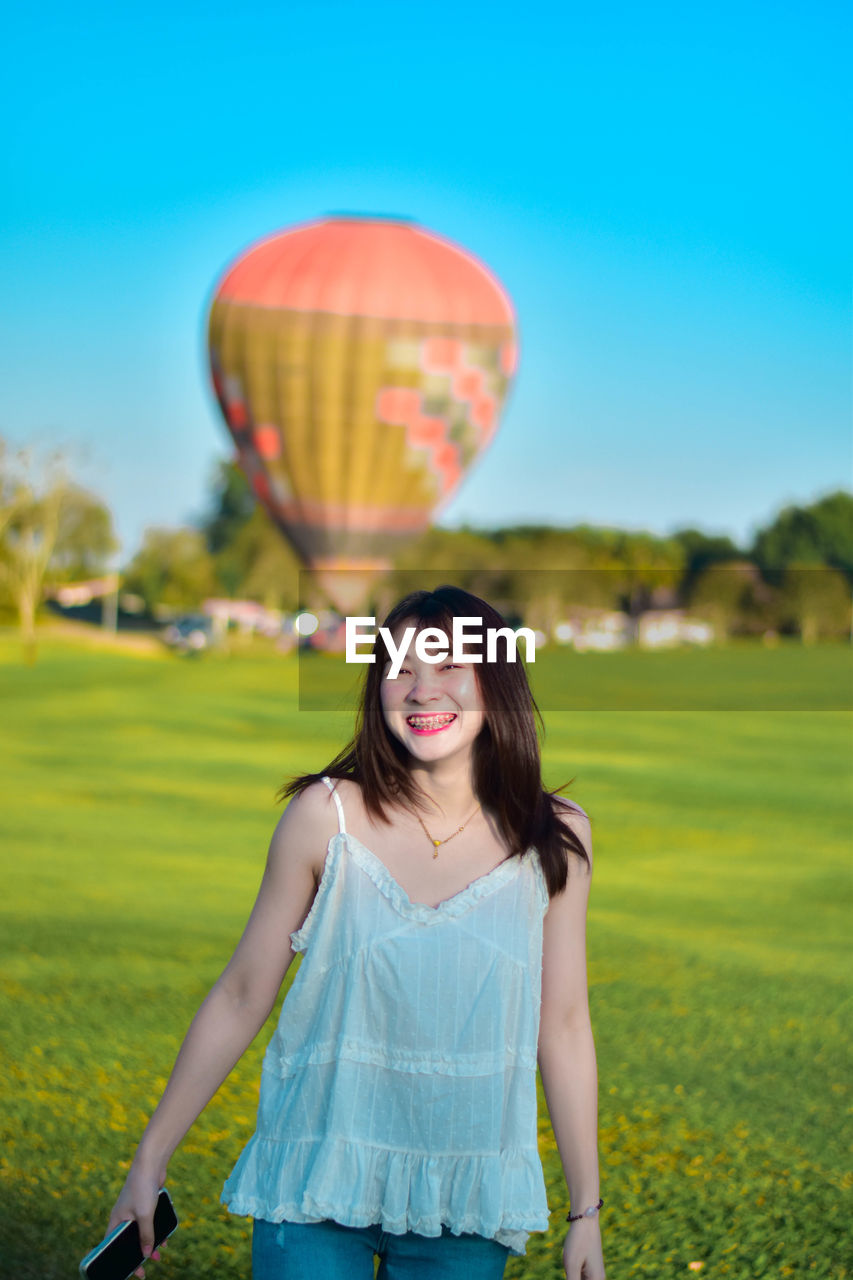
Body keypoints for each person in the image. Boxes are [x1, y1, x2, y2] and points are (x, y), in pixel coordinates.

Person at [106, 585, 606, 1280]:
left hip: (461, 1197)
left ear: (496, 681)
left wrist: (586, 1212)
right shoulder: (324, 815)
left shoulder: (554, 834)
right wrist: (149, 1158)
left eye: (450, 666)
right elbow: (243, 994)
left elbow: (565, 1024)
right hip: (312, 1180)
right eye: (400, 669)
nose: (421, 691)